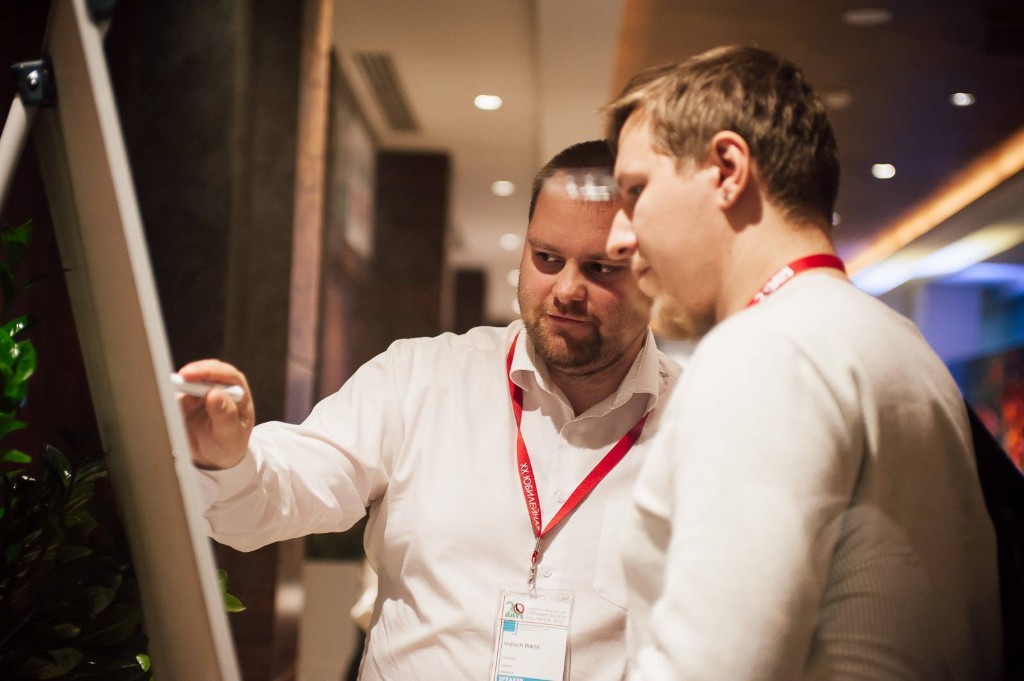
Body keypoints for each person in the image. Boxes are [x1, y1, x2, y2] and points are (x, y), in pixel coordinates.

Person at [179, 139, 681, 681]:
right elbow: (283, 492)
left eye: (600, 268)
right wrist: (228, 459)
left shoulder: (698, 422)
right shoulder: (421, 378)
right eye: (546, 258)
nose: (565, 289)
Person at [602, 46, 1001, 680]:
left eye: (635, 192)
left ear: (727, 169)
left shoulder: (766, 349)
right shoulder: (898, 341)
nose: (619, 237)